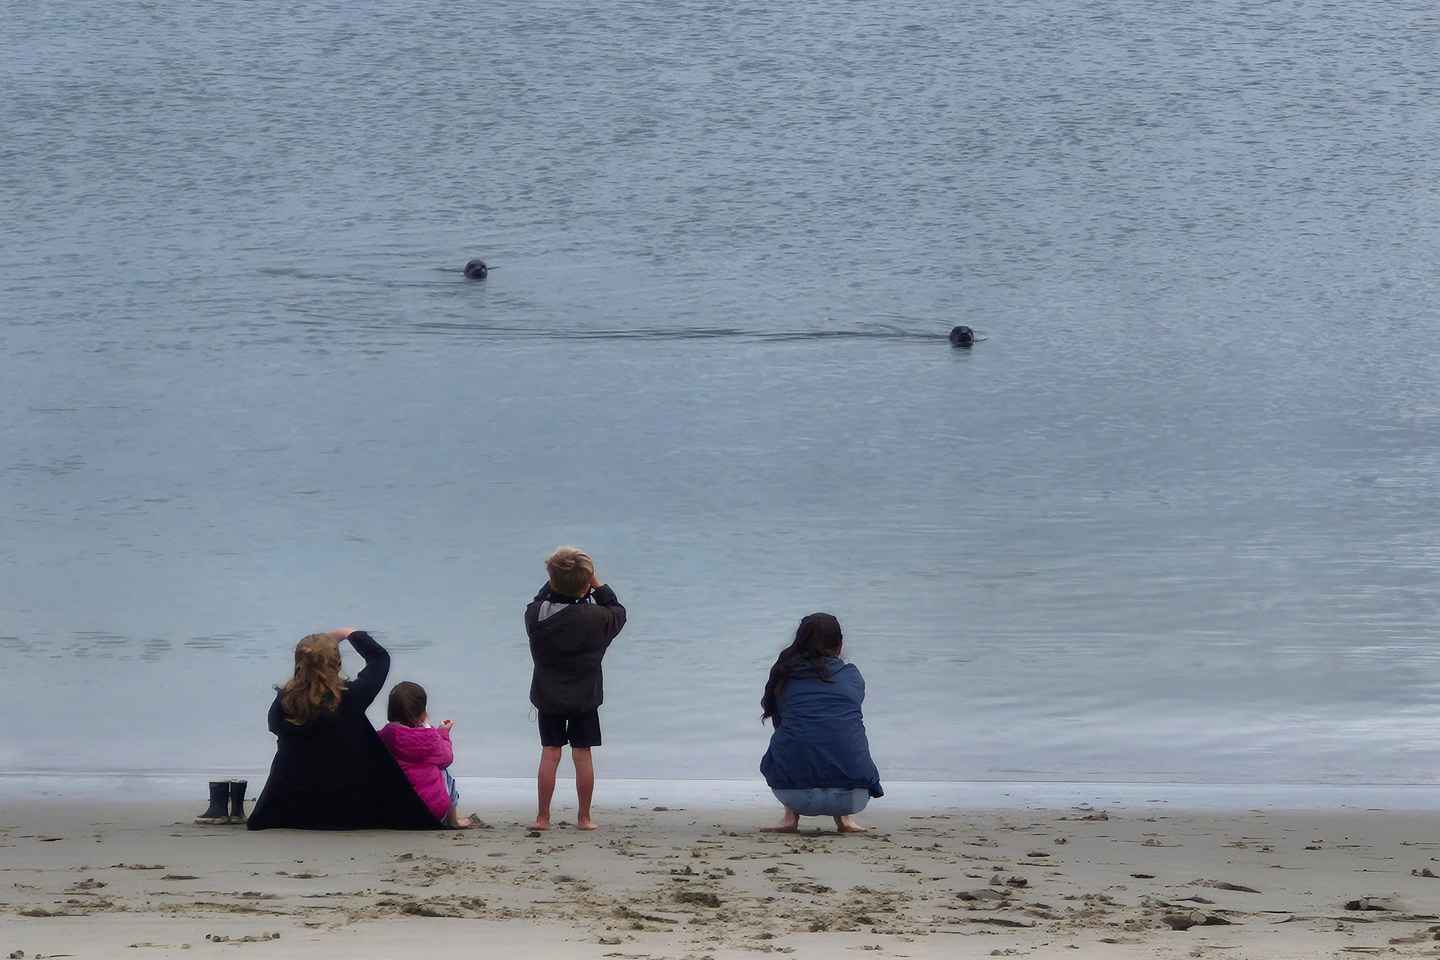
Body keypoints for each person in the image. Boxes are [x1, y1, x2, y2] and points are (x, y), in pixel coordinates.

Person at [248, 628, 442, 831]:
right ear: (338, 664)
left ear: (298, 665)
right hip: (350, 809)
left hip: (293, 806)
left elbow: (274, 726)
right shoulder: (352, 696)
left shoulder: (285, 701)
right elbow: (379, 658)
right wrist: (350, 633)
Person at [524, 547, 627, 831]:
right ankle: (584, 817)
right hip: (585, 696)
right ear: (586, 585)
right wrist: (597, 584)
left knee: (550, 752)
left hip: (548, 695)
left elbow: (538, 599)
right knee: (582, 754)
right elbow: (618, 611)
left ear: (552, 580)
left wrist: (556, 581)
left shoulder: (536, 614)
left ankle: (542, 817)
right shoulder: (598, 618)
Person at [759, 613, 883, 834]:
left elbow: (784, 727)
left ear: (798, 642)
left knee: (792, 736)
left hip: (793, 795)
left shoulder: (785, 676)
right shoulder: (851, 676)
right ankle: (844, 819)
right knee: (839, 729)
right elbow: (840, 725)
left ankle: (790, 818)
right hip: (853, 798)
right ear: (840, 645)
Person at [379, 681, 473, 828]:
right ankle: (453, 821)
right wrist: (443, 733)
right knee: (443, 770)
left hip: (397, 812)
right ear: (422, 714)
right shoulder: (430, 738)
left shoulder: (383, 736)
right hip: (432, 812)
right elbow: (447, 758)